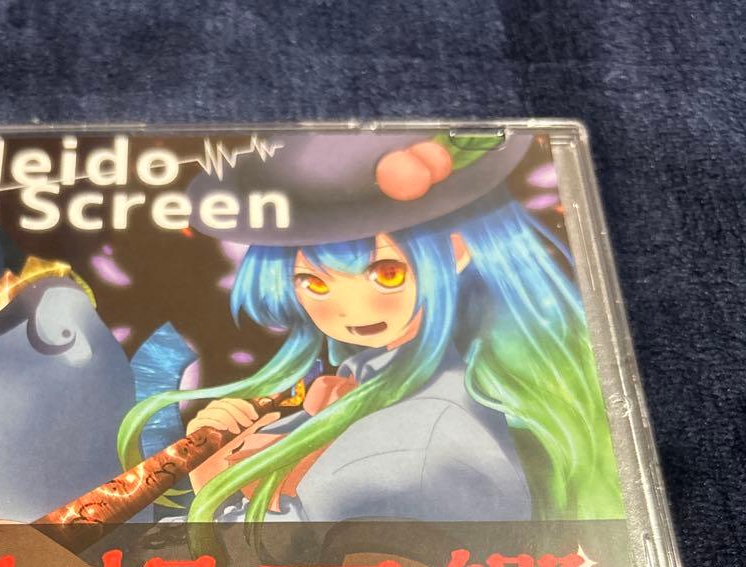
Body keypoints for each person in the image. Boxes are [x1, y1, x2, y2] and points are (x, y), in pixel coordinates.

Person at [116, 132, 623, 533]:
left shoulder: (426, 432)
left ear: (456, 252)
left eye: (387, 274)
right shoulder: (371, 386)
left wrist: (219, 484)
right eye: (314, 284)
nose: (350, 310)